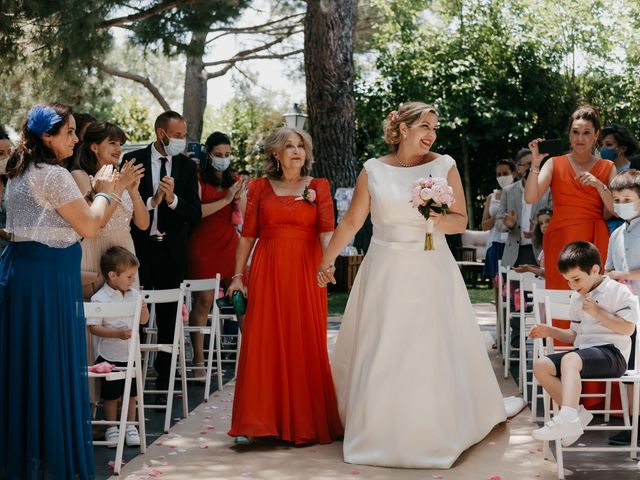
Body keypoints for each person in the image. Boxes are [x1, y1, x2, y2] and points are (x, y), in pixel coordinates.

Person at [316, 102, 506, 468]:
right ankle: (376, 429)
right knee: (383, 346)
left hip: (430, 268)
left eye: (434, 127)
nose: (431, 134)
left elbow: (459, 221)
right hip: (384, 269)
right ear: (401, 128)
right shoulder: (372, 170)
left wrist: (434, 213)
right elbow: (354, 221)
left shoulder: (444, 165)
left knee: (427, 348)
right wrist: (327, 261)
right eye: (423, 126)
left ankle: (432, 431)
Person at [0, 103, 117, 479]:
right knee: (49, 365)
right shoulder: (53, 175)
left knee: (23, 367)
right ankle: (51, 464)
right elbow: (90, 227)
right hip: (48, 279)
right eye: (68, 132)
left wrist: (105, 195)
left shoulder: (18, 171)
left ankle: (23, 460)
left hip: (22, 273)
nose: (76, 138)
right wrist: (107, 191)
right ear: (46, 136)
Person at [227, 126, 343, 445]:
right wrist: (238, 276)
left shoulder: (319, 186)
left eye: (301, 146)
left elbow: (326, 231)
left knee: (303, 339)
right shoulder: (261, 188)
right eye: (289, 146)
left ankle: (303, 423)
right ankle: (255, 423)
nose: (296, 151)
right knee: (262, 342)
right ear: (276, 153)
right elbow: (248, 236)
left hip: (307, 270)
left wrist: (327, 263)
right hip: (267, 270)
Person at [530, 241, 639, 446]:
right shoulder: (576, 298)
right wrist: (550, 331)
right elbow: (575, 335)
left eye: (576, 279)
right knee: (541, 365)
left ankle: (568, 417)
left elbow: (628, 329)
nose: (572, 286)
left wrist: (599, 313)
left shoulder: (618, 292)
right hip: (584, 354)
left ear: (595, 270)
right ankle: (576, 415)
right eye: (568, 281)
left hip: (613, 355)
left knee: (571, 359)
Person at [123, 111, 200, 392]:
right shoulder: (133, 162)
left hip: (171, 253)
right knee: (138, 316)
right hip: (139, 253)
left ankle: (165, 382)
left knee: (169, 319)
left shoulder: (187, 168)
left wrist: (172, 199)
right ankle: (135, 381)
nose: (183, 141)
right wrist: (151, 200)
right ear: (161, 133)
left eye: (184, 135)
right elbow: (123, 206)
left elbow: (195, 213)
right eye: (178, 136)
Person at [525, 105, 616, 330]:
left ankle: (593, 351)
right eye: (575, 132)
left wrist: (598, 185)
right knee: (561, 296)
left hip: (595, 240)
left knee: (594, 298)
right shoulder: (555, 163)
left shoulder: (607, 167)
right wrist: (536, 164)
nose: (580, 138)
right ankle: (558, 353)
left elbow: (616, 209)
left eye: (586, 132)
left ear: (596, 135)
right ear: (569, 134)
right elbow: (530, 197)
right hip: (560, 239)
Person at [186, 131, 244, 377]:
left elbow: (244, 216)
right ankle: (199, 361)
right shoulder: (197, 178)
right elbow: (196, 211)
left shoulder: (236, 179)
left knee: (242, 298)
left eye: (228, 154)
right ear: (208, 154)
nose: (224, 158)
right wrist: (227, 198)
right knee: (203, 302)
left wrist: (239, 199)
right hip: (202, 243)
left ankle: (251, 354)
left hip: (230, 243)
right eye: (219, 154)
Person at [72, 122, 149, 297]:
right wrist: (121, 186)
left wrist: (134, 192)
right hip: (95, 253)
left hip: (125, 255)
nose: (118, 149)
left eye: (120, 144)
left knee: (126, 318)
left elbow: (143, 225)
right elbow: (99, 222)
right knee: (94, 319)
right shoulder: (80, 176)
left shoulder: (122, 177)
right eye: (112, 143)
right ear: (94, 147)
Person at [89, 246, 149, 447]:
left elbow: (143, 321)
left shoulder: (134, 295)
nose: (133, 281)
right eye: (129, 276)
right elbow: (94, 328)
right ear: (113, 276)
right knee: (111, 394)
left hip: (131, 354)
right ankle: (112, 427)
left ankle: (130, 425)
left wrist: (143, 309)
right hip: (109, 354)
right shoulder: (100, 298)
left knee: (131, 393)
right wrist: (116, 334)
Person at [603, 170, 640, 445]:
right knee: (628, 370)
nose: (621, 203)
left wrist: (626, 275)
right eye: (617, 199)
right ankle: (633, 424)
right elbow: (608, 270)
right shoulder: (615, 234)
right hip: (623, 311)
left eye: (627, 198)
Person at [497, 154, 551, 269]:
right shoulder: (508, 191)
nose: (532, 167)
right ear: (518, 168)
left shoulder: (548, 190)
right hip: (514, 254)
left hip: (541, 252)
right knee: (513, 287)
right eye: (527, 164)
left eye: (535, 163)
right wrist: (508, 225)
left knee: (538, 287)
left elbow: (554, 220)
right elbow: (498, 223)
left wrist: (538, 231)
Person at [599, 124, 640, 232]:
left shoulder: (629, 174)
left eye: (608, 144)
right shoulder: (604, 170)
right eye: (602, 145)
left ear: (622, 148)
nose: (603, 149)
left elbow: (607, 213)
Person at [481, 158, 516, 280]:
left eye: (505, 174)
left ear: (514, 173)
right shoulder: (492, 197)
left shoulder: (521, 194)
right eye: (499, 174)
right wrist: (497, 216)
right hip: (495, 243)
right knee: (496, 282)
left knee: (513, 282)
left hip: (513, 244)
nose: (502, 177)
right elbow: (484, 226)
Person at [513, 207, 552, 278]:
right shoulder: (545, 246)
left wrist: (528, 269)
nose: (544, 225)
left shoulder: (555, 245)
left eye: (548, 221)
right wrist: (530, 267)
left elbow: (548, 273)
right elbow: (543, 269)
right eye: (541, 223)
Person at [0, 131, 11, 250]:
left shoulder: (12, 184)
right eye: (0, 153)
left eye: (9, 153)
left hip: (9, 256)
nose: (7, 158)